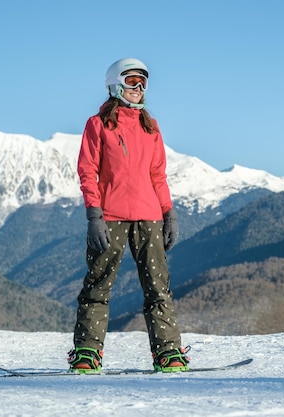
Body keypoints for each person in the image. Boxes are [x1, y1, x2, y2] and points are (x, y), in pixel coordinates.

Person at [67, 57, 190, 373]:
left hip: (149, 218)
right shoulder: (98, 125)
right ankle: (86, 353)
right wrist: (94, 215)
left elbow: (158, 175)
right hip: (110, 217)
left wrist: (169, 214)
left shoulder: (151, 126)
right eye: (132, 81)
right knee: (98, 285)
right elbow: (87, 170)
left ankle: (168, 352)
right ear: (115, 85)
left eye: (143, 82)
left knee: (157, 287)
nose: (138, 88)